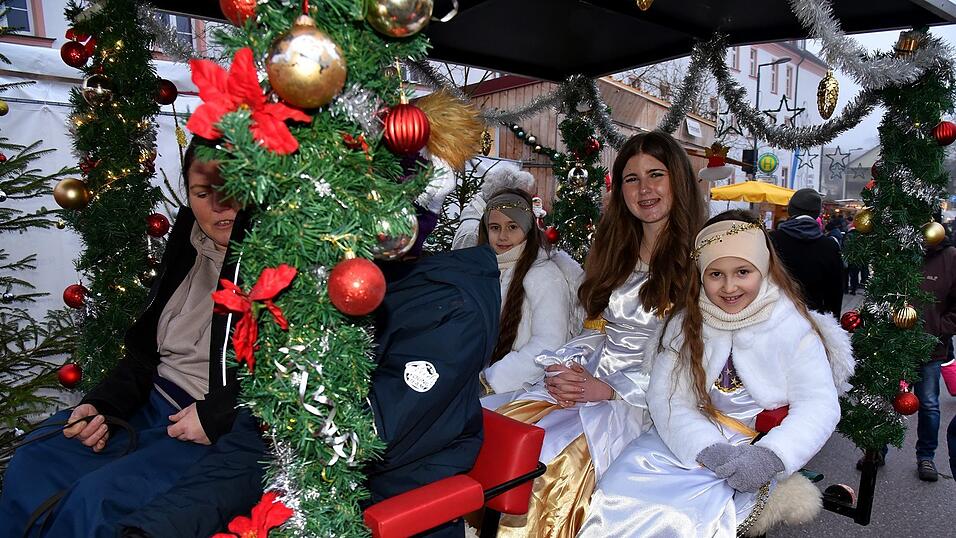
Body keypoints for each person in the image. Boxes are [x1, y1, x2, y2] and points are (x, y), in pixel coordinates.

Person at [0, 136, 267, 538]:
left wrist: (218, 414)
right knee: (36, 458)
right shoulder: (187, 247)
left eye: (231, 187)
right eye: (202, 192)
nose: (218, 204)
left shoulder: (279, 262)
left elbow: (292, 376)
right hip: (149, 406)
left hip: (210, 429)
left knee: (96, 502)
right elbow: (144, 357)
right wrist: (102, 405)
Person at [579, 210, 853, 537]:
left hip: (755, 446)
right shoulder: (684, 326)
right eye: (715, 274)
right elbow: (668, 400)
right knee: (617, 493)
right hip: (686, 442)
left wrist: (772, 456)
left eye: (742, 272)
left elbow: (818, 406)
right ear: (701, 276)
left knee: (686, 518)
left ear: (763, 269)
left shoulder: (792, 327)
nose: (729, 286)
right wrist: (706, 448)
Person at [489, 131, 706, 537]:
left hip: (650, 404)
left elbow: (700, 360)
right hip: (591, 384)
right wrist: (566, 366)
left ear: (677, 178)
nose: (645, 190)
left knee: (551, 465)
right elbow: (596, 329)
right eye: (631, 178)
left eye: (655, 175)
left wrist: (609, 391)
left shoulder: (703, 259)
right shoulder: (614, 249)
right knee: (505, 431)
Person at [365, 243, 501, 537]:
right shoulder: (399, 290)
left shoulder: (448, 311)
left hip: (408, 485)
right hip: (397, 467)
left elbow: (379, 431)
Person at [475, 188, 581, 395]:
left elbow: (549, 343)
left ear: (527, 228)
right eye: (495, 227)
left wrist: (491, 381)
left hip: (522, 387)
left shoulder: (543, 275)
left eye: (512, 226)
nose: (503, 236)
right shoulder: (486, 271)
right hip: (477, 379)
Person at [909, 220, 956, 482]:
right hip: (896, 343)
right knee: (885, 401)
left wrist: (940, 328)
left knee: (928, 403)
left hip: (931, 346)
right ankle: (876, 450)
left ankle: (926, 456)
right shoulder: (903, 254)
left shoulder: (951, 258)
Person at [770, 188, 843, 318]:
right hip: (815, 320)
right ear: (816, 214)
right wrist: (833, 324)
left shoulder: (772, 239)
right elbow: (835, 290)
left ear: (790, 209)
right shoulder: (830, 245)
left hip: (775, 317)